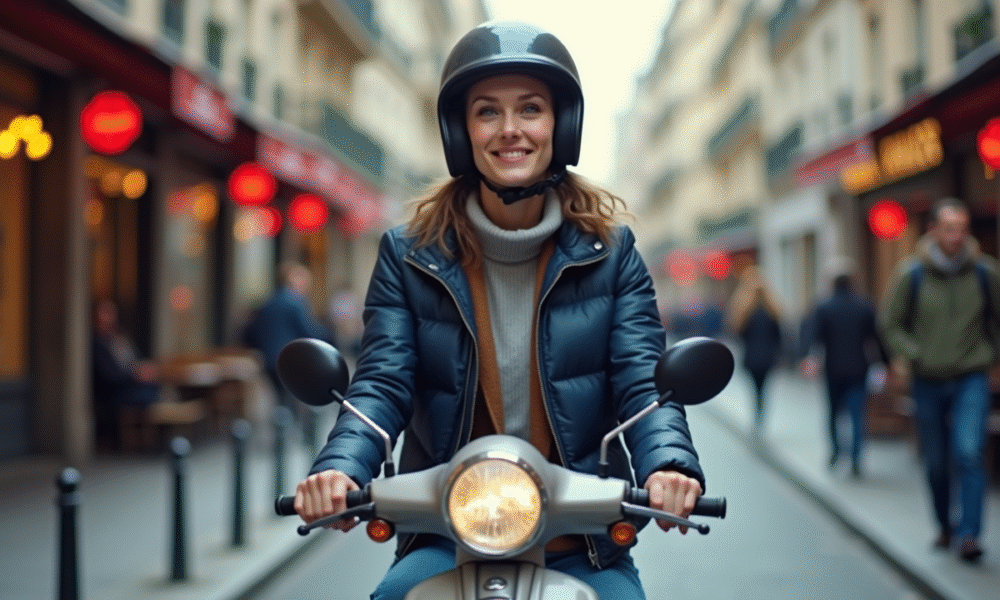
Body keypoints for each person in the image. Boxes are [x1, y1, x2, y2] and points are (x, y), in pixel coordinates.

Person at [292, 20, 705, 600]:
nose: (510, 131)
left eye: (530, 109)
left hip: (580, 538)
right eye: (487, 111)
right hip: (446, 535)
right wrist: (342, 466)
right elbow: (383, 380)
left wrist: (669, 466)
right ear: (460, 131)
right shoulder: (410, 255)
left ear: (561, 124)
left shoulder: (612, 255)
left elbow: (642, 378)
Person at [880, 197, 998, 563]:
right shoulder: (911, 273)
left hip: (970, 378)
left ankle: (969, 535)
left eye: (962, 229)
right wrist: (915, 354)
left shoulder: (985, 273)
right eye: (950, 229)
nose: (957, 237)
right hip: (927, 381)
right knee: (935, 461)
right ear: (933, 230)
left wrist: (992, 357)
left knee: (968, 452)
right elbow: (890, 323)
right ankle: (945, 526)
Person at [800, 257, 887, 477]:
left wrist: (809, 357)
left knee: (833, 414)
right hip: (859, 369)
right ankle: (857, 457)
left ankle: (837, 451)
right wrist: (885, 363)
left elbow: (813, 336)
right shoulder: (864, 305)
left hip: (833, 369)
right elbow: (877, 337)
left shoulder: (824, 306)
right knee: (857, 414)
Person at [91, 299, 161, 450]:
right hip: (114, 392)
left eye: (110, 313)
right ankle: (142, 443)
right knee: (149, 395)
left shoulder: (120, 337)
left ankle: (150, 440)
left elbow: (136, 359)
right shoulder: (96, 343)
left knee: (155, 389)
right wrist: (134, 375)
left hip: (131, 386)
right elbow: (108, 376)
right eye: (103, 313)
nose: (107, 318)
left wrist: (143, 370)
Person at [726, 264, 783, 428]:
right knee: (763, 388)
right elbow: (779, 337)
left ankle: (757, 414)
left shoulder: (744, 312)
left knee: (755, 388)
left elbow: (738, 335)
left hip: (751, 357)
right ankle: (760, 414)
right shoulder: (772, 311)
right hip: (767, 357)